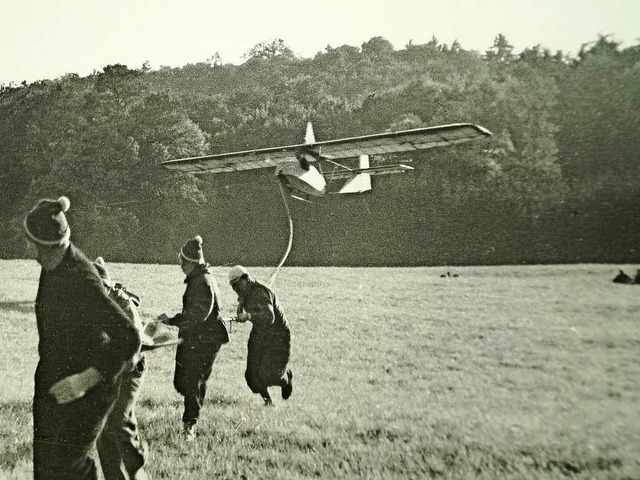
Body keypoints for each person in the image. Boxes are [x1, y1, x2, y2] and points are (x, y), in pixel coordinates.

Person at [24, 196, 141, 480]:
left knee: (67, 470)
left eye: (30, 241)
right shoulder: (53, 264)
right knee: (50, 470)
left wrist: (84, 380)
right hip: (56, 381)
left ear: (42, 246)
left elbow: (129, 338)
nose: (27, 247)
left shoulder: (81, 279)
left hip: (86, 392)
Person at [157, 235, 229, 438]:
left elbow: (198, 315)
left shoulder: (202, 281)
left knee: (192, 381)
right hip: (197, 337)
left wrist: (172, 320)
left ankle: (189, 426)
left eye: (182, 261)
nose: (180, 265)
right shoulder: (202, 278)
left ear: (189, 263)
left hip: (205, 340)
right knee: (183, 381)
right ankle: (192, 412)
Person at [93, 257, 149, 480]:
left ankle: (137, 468)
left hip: (130, 370)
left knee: (118, 418)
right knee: (103, 429)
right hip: (104, 371)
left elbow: (132, 355)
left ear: (107, 285)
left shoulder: (124, 305)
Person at [228, 265, 293, 406]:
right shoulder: (245, 293)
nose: (236, 289)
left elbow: (269, 317)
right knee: (251, 376)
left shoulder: (261, 293)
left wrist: (249, 315)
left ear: (246, 279)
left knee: (269, 375)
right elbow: (243, 311)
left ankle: (286, 379)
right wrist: (241, 306)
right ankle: (268, 402)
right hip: (260, 334)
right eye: (233, 287)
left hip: (278, 336)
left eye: (237, 285)